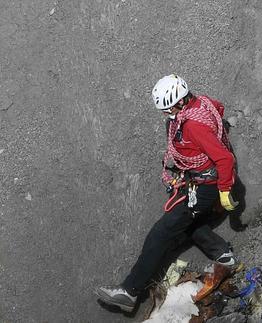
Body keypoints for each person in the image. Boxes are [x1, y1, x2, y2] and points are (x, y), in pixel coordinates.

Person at [96, 74, 239, 312]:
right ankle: (223, 254)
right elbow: (218, 108)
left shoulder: (192, 126)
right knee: (186, 222)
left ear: (180, 102)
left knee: (161, 233)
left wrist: (224, 191)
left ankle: (129, 292)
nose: (165, 114)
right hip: (200, 181)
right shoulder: (200, 103)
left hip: (203, 187)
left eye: (168, 108)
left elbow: (225, 159)